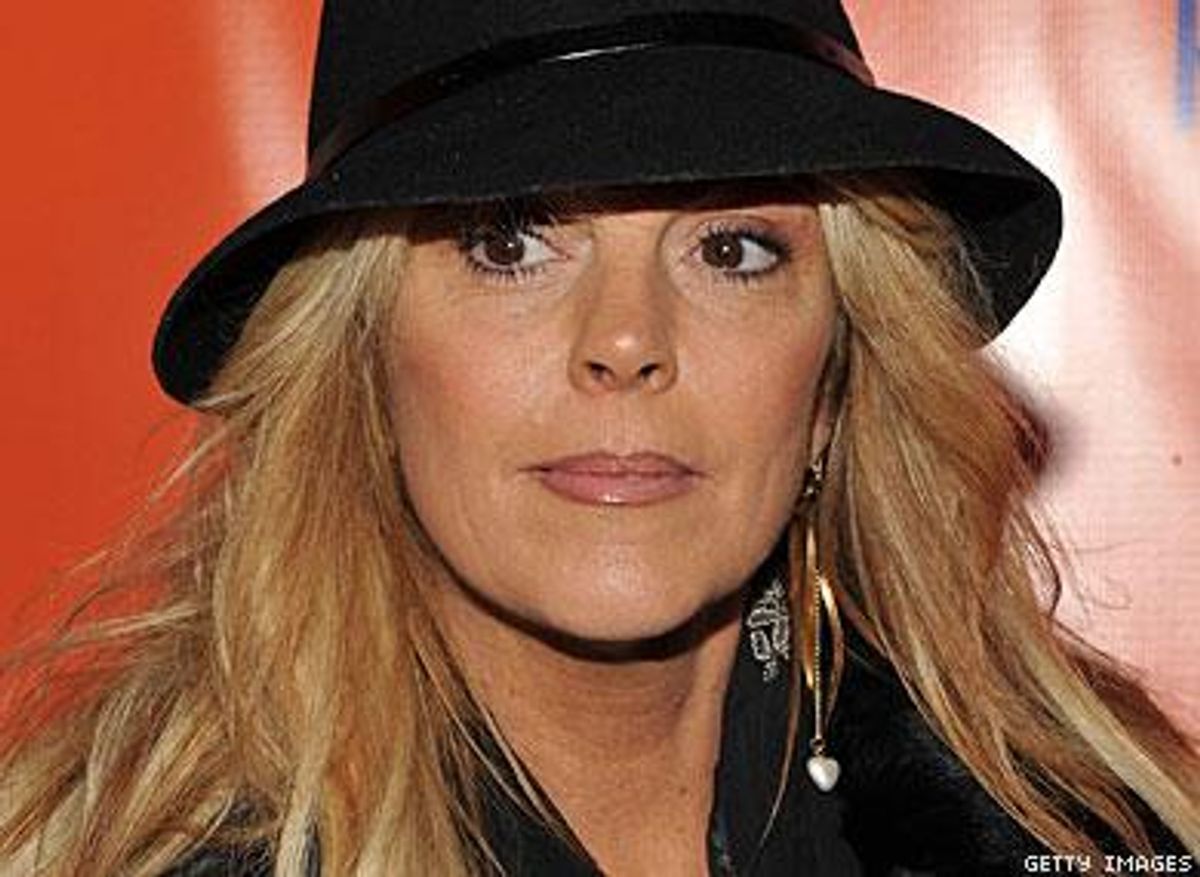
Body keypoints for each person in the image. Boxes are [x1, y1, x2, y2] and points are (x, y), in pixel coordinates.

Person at [2, 1, 1197, 875]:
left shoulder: (1090, 835)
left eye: (731, 250)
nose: (626, 342)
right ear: (362, 363)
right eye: (509, 242)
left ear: (834, 377)